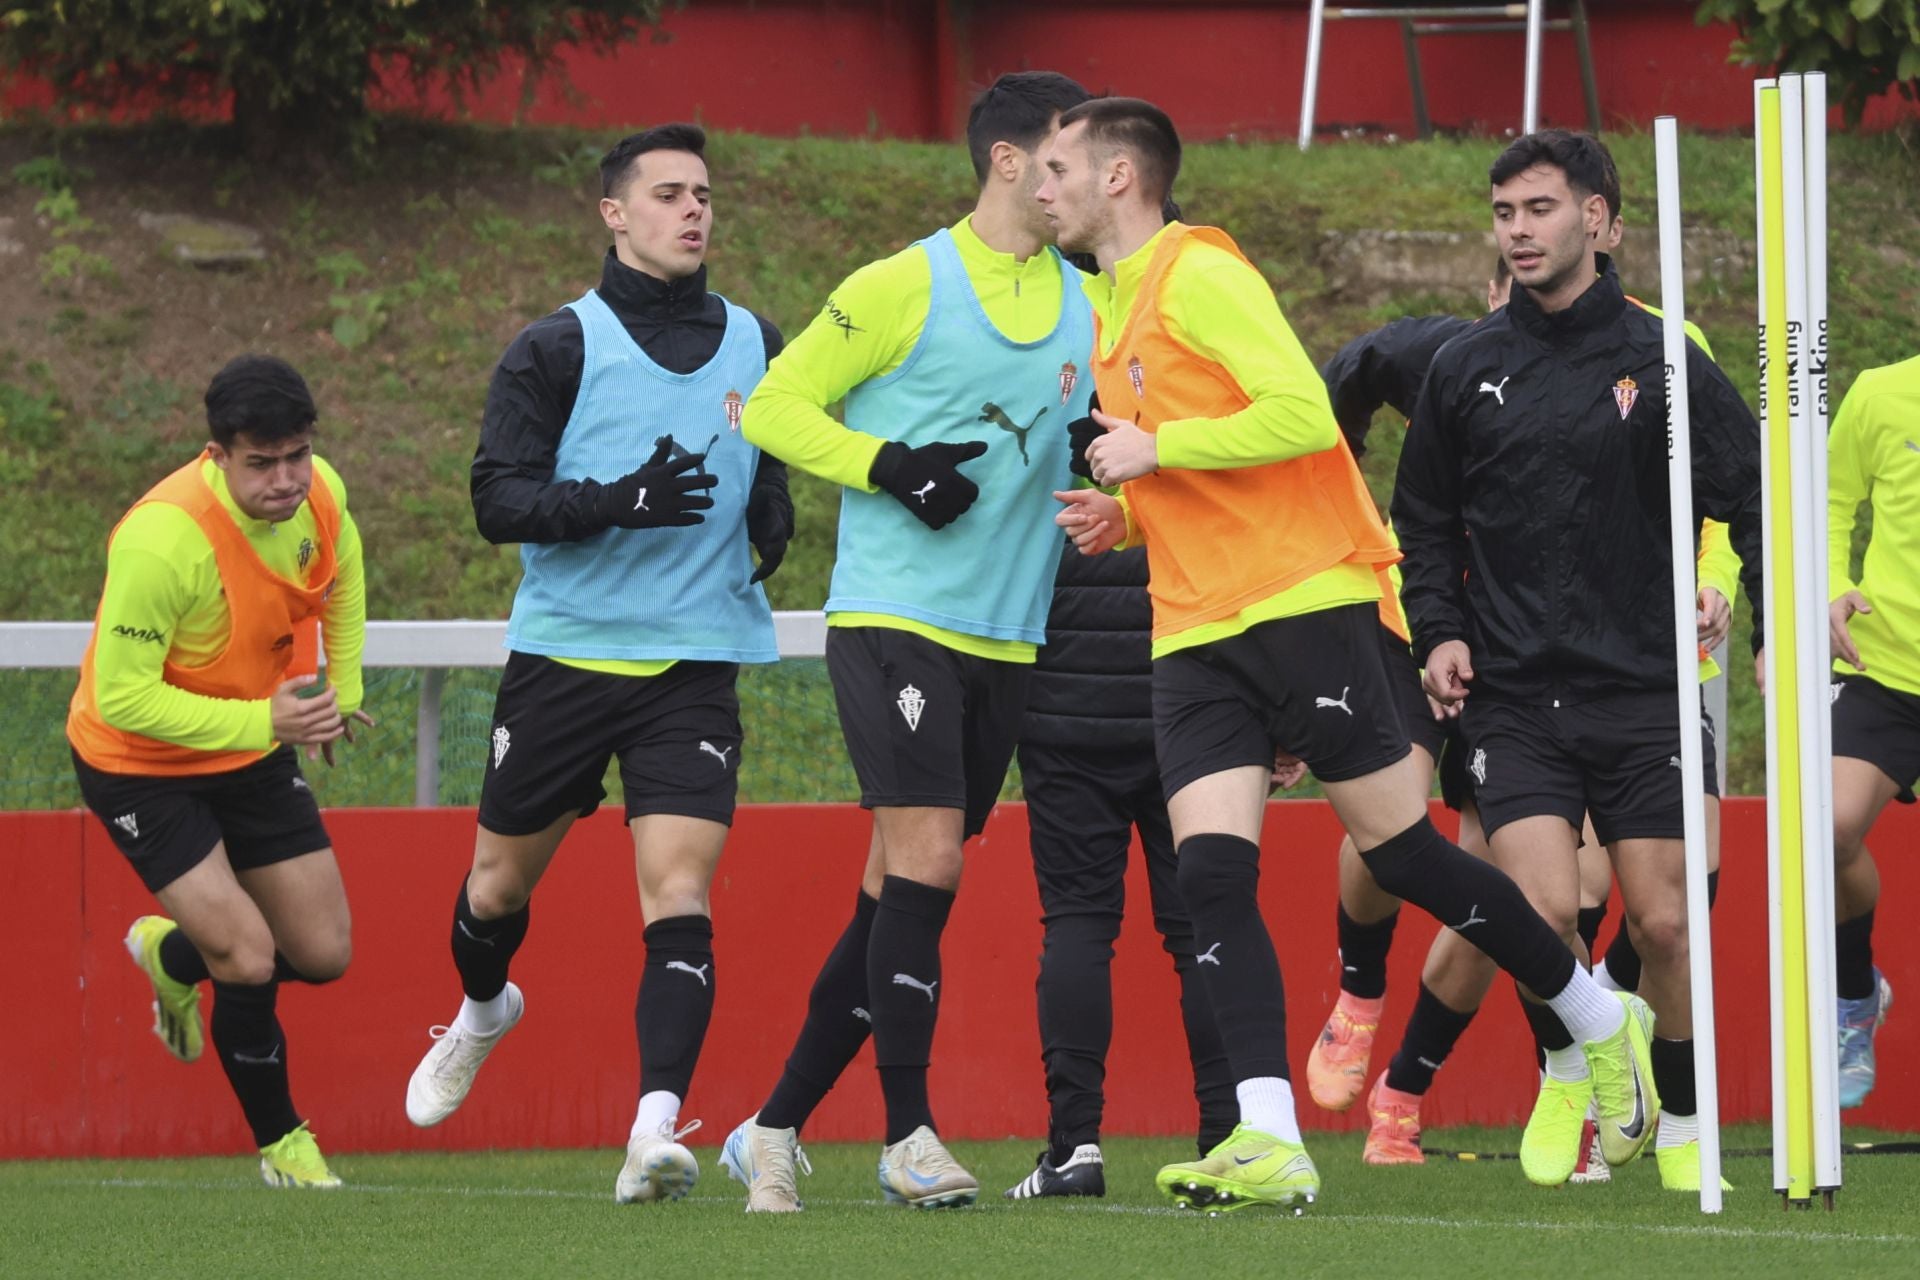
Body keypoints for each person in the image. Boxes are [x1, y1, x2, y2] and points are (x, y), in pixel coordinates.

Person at [1038, 97, 1655, 1214]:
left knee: (1407, 855)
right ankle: (1268, 1133)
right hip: (1192, 625)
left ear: (1120, 176)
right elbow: (1187, 466)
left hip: (1302, 596)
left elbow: (1300, 418)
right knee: (1211, 871)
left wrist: (1155, 446)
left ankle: (1598, 1015)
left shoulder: (1202, 274)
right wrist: (1123, 513)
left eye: (1056, 167)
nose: (1040, 188)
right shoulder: (1108, 305)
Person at [716, 70, 1096, 1213]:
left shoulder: (1092, 297)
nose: (1088, 181)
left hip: (1010, 635)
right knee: (927, 861)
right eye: (1071, 159)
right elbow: (771, 405)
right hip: (895, 620)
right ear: (1010, 162)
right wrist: (888, 465)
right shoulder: (904, 282)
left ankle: (769, 1125)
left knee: (898, 894)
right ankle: (907, 1133)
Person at [402, 124, 792, 1207]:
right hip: (567, 658)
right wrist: (616, 501)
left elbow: (770, 453)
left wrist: (772, 509)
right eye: (667, 193)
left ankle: (653, 1126)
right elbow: (497, 500)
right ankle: (483, 1009)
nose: (693, 210)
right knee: (494, 888)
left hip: (697, 660)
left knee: (679, 888)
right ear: (614, 214)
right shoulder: (554, 348)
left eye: (704, 192)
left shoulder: (760, 338)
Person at [1312, 241, 1740, 1179]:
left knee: (1596, 902)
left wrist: (1717, 584)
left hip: (1613, 659)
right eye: (1511, 276)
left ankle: (1483, 1079)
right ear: (1492, 287)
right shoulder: (1451, 358)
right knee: (1408, 826)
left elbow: (1722, 497)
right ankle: (1366, 999)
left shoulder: (1663, 351)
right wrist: (1330, 485)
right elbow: (1339, 387)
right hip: (1443, 640)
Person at [1392, 129, 1764, 1192]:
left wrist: (1745, 602)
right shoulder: (1464, 365)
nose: (1519, 230)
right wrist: (1440, 630)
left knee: (1662, 919)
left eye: (1542, 210)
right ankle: (1572, 1058)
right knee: (1545, 909)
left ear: (1599, 220)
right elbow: (1420, 522)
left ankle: (1687, 1128)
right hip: (1512, 695)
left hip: (1644, 684)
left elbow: (1750, 495)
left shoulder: (1660, 357)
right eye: (1505, 212)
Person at [68, 354, 370, 1189]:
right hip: (138, 765)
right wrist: (267, 719)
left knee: (322, 952)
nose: (286, 480)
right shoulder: (162, 541)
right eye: (261, 463)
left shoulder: (321, 493)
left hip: (249, 746)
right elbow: (124, 699)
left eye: (297, 456)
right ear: (217, 454)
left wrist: (339, 690)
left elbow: (340, 575)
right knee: (246, 954)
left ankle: (173, 959)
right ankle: (284, 1148)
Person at [1004, 534, 1237, 1200]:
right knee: (1202, 934)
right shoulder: (1185, 432)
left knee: (1078, 924)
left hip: (1064, 717)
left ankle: (1073, 1147)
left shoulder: (1029, 431)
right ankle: (1227, 1141)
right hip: (1184, 712)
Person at [1827, 351, 1919, 1108]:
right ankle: (1854, 997)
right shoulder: (1883, 393)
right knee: (1824, 828)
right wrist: (1830, 589)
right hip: (1886, 666)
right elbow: (1830, 500)